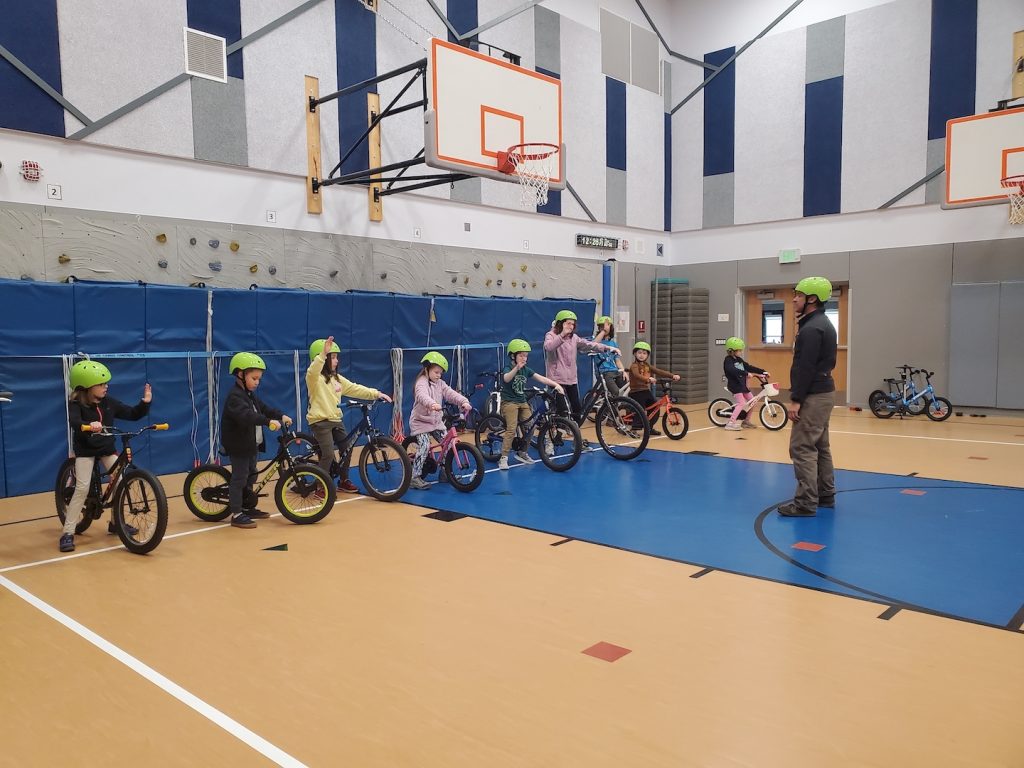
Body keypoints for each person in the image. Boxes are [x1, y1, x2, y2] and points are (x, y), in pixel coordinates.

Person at [61, 361, 152, 553]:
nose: (106, 387)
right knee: (83, 487)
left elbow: (132, 414)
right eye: (101, 384)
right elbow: (76, 422)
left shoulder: (109, 403)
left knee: (119, 481)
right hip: (86, 451)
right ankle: (68, 532)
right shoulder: (76, 404)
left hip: (105, 449)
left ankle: (115, 523)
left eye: (106, 384)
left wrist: (145, 403)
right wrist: (88, 424)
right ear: (86, 386)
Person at [778, 276, 838, 517]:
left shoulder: (812, 329)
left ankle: (805, 503)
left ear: (811, 299)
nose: (794, 299)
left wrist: (796, 399)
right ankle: (825, 494)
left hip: (813, 396)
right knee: (821, 446)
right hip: (824, 393)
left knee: (801, 447)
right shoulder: (822, 323)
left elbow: (806, 367)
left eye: (799, 296)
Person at [306, 336, 391, 493]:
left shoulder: (337, 379)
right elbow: (313, 370)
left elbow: (355, 388)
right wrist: (323, 355)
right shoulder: (314, 378)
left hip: (335, 420)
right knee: (328, 454)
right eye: (333, 357)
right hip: (320, 421)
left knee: (347, 447)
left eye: (337, 357)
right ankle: (320, 486)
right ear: (322, 359)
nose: (337, 361)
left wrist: (376, 393)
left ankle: (343, 480)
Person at [221, 352, 291, 529]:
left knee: (252, 474)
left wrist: (280, 416)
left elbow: (264, 408)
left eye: (259, 379)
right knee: (240, 477)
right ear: (240, 375)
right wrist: (268, 422)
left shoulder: (249, 395)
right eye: (254, 378)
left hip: (251, 443)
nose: (257, 382)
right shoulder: (235, 397)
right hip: (239, 445)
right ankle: (236, 513)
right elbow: (247, 416)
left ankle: (246, 505)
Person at [407, 352, 472, 489]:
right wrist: (432, 404)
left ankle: (445, 472)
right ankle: (414, 477)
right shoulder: (422, 382)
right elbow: (421, 396)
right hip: (421, 422)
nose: (438, 375)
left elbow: (450, 393)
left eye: (440, 373)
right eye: (436, 372)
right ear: (427, 369)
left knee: (448, 444)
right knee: (424, 446)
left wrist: (463, 401)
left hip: (436, 422)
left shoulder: (440, 383)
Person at [499, 339, 564, 470]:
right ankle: (503, 458)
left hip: (522, 402)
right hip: (509, 402)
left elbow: (540, 378)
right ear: (513, 356)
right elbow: (506, 378)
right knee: (511, 429)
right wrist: (517, 368)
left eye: (526, 355)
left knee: (531, 427)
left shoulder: (526, 370)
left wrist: (556, 384)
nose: (524, 358)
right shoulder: (508, 368)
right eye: (521, 355)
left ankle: (522, 452)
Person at [543, 310, 618, 424]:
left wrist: (607, 348)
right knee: (562, 411)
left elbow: (588, 344)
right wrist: (562, 335)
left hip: (571, 379)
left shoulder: (574, 338)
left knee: (577, 412)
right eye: (568, 323)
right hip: (556, 380)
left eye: (573, 324)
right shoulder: (551, 335)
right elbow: (549, 347)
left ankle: (576, 437)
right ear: (560, 323)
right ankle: (556, 435)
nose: (571, 326)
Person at [626, 341, 679, 436]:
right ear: (634, 353)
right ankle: (634, 429)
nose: (642, 355)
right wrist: (648, 379)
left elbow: (658, 371)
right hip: (636, 392)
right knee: (640, 410)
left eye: (644, 353)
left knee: (655, 407)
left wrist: (672, 375)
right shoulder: (634, 366)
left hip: (645, 391)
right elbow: (637, 375)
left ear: (647, 355)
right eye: (639, 352)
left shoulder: (647, 365)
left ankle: (649, 428)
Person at [722, 337, 769, 431]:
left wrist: (763, 372)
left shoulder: (739, 360)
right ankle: (730, 423)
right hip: (735, 386)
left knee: (753, 402)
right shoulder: (728, 360)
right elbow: (732, 370)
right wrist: (746, 373)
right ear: (732, 351)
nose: (741, 352)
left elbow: (749, 367)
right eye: (739, 350)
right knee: (742, 403)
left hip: (742, 385)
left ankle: (746, 421)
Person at [592, 315, 627, 396]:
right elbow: (593, 345)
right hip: (604, 372)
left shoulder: (613, 343)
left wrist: (623, 371)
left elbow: (617, 360)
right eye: (600, 327)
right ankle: (610, 408)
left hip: (614, 371)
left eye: (606, 326)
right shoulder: (596, 340)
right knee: (615, 391)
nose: (603, 328)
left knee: (625, 386)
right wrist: (604, 330)